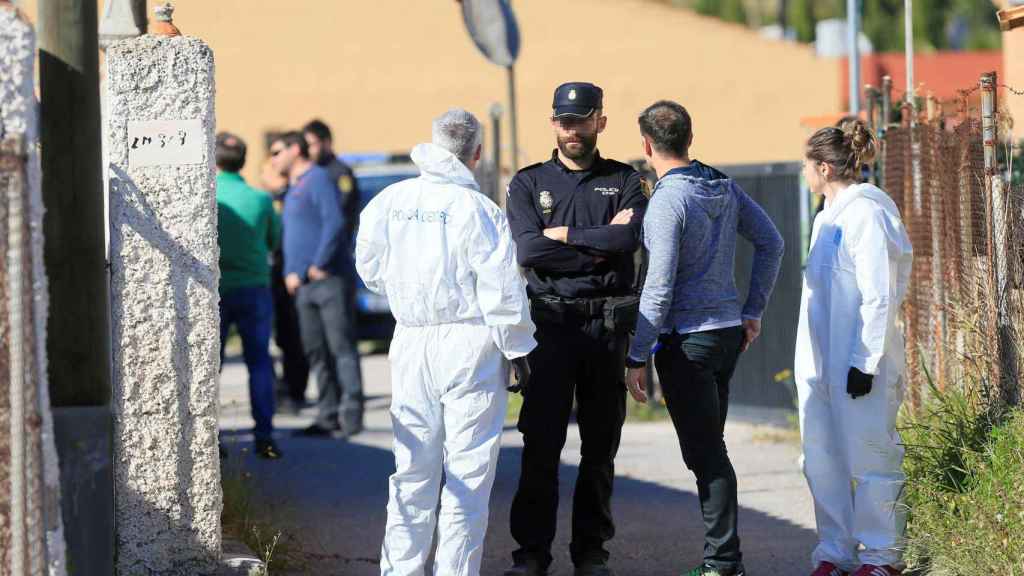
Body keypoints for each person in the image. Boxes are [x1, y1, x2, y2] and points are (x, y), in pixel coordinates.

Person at [355, 108, 536, 576]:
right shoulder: (478, 210)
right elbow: (502, 290)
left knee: (412, 467)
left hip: (411, 339)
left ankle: (400, 570)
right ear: (476, 153)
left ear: (433, 142)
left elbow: (370, 271)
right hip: (469, 342)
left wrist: (408, 292)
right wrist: (518, 349)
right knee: (468, 473)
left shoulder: (390, 201)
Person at [624, 100, 785, 576]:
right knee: (709, 447)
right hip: (724, 334)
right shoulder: (721, 185)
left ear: (647, 145)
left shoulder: (667, 201)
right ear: (689, 139)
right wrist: (751, 310)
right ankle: (722, 559)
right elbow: (771, 241)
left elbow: (659, 284)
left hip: (688, 342)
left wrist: (637, 353)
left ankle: (723, 563)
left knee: (706, 455)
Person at [504, 82, 648, 576]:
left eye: (581, 120)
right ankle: (531, 555)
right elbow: (527, 251)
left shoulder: (625, 180)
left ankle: (590, 554)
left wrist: (564, 237)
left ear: (599, 122)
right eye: (564, 122)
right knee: (541, 444)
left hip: (606, 327)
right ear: (553, 124)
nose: (572, 130)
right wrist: (598, 245)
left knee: (599, 447)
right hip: (550, 324)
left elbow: (629, 238)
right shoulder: (528, 183)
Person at [794, 121, 912, 576]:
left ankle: (883, 556)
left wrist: (865, 360)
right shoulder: (827, 217)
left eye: (806, 165)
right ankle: (835, 551)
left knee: (871, 457)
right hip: (822, 365)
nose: (804, 172)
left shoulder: (868, 212)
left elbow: (878, 293)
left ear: (823, 167)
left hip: (860, 363)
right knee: (822, 457)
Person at [271, 131, 364, 437]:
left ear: (294, 150)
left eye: (276, 152)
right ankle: (327, 414)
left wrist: (317, 264)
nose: (273, 159)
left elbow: (335, 222)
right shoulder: (295, 186)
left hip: (327, 280)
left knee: (340, 348)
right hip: (301, 286)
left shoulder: (319, 178)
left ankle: (350, 415)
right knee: (316, 351)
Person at [215, 132, 283, 459]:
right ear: (243, 161)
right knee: (259, 363)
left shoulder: (208, 196)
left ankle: (211, 439)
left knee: (209, 366)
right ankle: (265, 437)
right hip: (254, 286)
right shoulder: (260, 199)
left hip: (214, 288)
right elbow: (273, 240)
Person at [261, 152, 310, 414]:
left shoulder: (292, 195)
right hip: (270, 277)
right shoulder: (268, 199)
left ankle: (294, 392)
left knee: (292, 337)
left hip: (288, 276)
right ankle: (279, 391)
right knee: (272, 339)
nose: (273, 164)